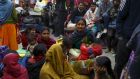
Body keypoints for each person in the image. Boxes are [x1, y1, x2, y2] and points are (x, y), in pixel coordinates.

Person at [114, 0, 140, 78]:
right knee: (119, 64)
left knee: (135, 69)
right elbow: (120, 16)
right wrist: (120, 35)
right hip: (126, 37)